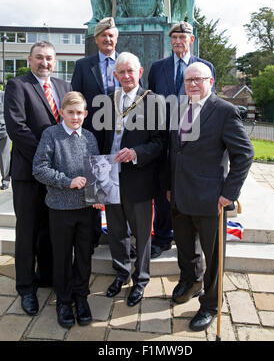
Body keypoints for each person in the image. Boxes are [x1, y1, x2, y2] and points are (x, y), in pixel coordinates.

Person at [168, 62, 254, 332]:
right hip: (181, 195)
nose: (192, 84)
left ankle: (210, 304)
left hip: (209, 198)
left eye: (198, 79)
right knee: (185, 247)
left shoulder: (225, 112)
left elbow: (245, 154)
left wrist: (229, 193)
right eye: (187, 80)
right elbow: (176, 152)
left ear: (211, 81)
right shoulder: (179, 108)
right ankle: (191, 281)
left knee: (213, 256)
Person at [4, 41, 71, 316]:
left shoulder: (64, 88)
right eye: (40, 58)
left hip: (56, 175)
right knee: (28, 231)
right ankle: (25, 287)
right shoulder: (18, 86)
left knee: (50, 228)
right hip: (29, 173)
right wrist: (47, 157)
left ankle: (46, 277)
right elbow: (16, 128)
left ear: (55, 61)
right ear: (30, 60)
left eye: (50, 58)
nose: (45, 63)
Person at [102, 52, 167, 307]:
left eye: (131, 71)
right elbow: (102, 139)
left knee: (141, 233)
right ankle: (121, 272)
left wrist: (136, 153)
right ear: (115, 75)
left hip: (138, 178)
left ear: (140, 73)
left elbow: (161, 142)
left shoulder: (154, 101)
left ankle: (140, 279)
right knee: (116, 231)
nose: (126, 76)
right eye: (122, 72)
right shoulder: (108, 101)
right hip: (110, 178)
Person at [148, 21, 216, 258]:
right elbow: (150, 103)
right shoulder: (157, 68)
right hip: (163, 138)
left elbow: (210, 106)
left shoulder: (205, 67)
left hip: (191, 140)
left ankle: (188, 235)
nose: (178, 42)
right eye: (174, 38)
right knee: (163, 188)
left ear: (192, 40)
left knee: (187, 184)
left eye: (182, 38)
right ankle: (163, 236)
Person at [32, 92, 100, 328]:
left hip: (85, 210)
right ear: (61, 112)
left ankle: (81, 298)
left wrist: (98, 194)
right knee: (61, 257)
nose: (75, 117)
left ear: (85, 114)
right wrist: (66, 181)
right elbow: (39, 168)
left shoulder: (90, 138)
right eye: (70, 112)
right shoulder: (51, 135)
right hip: (60, 209)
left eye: (80, 113)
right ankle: (63, 300)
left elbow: (95, 172)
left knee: (83, 256)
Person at [71, 16, 120, 247]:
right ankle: (91, 236)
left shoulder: (125, 64)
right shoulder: (83, 66)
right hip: (91, 136)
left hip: (119, 137)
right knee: (93, 189)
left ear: (116, 39)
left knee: (116, 187)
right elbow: (76, 98)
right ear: (96, 39)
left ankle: (118, 234)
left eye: (111, 35)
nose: (107, 39)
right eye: (103, 35)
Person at [0, 90, 11, 190]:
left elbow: (9, 112)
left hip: (3, 130)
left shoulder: (3, 95)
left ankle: (6, 180)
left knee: (4, 156)